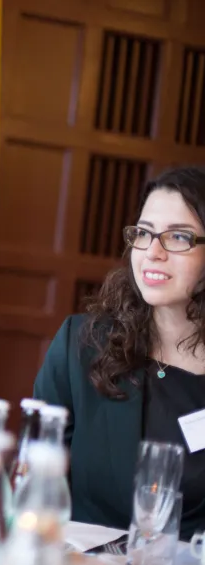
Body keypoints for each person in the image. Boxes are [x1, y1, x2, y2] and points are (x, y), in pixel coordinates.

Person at [34, 166, 205, 540]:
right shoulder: (82, 344)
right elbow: (35, 482)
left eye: (178, 237)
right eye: (144, 233)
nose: (153, 252)